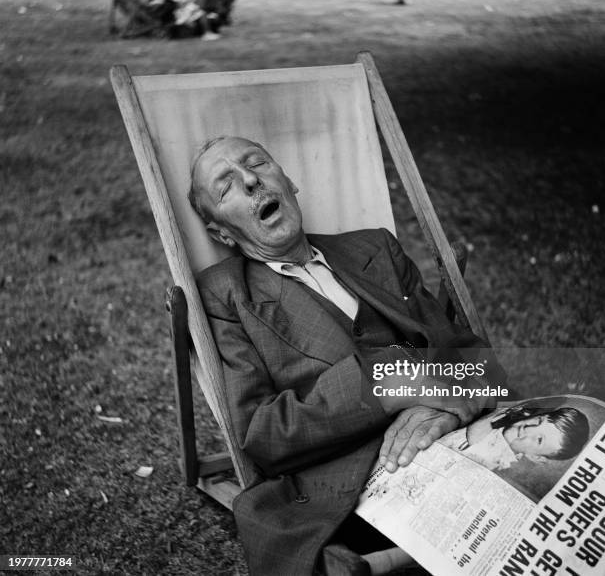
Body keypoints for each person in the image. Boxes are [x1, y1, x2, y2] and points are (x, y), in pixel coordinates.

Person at [188, 136, 508, 576]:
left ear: (289, 181)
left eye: (257, 163)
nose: (249, 180)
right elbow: (263, 431)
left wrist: (450, 410)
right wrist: (389, 383)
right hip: (347, 479)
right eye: (226, 187)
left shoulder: (373, 247)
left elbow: (472, 359)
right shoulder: (225, 295)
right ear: (221, 232)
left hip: (453, 437)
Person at [443, 404, 589, 471]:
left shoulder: (498, 456)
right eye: (539, 421)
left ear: (535, 457)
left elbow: (474, 434)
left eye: (539, 439)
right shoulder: (509, 422)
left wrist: (505, 410)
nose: (528, 429)